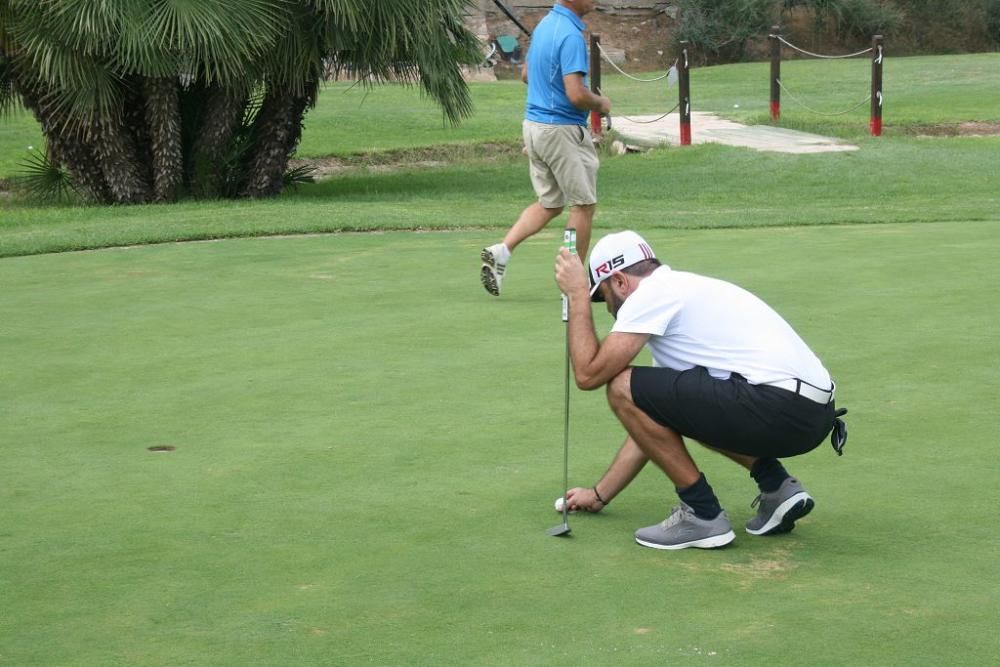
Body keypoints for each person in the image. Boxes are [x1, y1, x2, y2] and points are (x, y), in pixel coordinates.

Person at [552, 230, 848, 551]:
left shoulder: (651, 294)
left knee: (620, 384)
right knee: (672, 404)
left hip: (776, 406)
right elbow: (653, 426)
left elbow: (588, 374)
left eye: (603, 296)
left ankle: (703, 515)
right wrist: (599, 494)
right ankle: (777, 487)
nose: (608, 308)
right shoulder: (682, 289)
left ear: (621, 281)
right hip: (812, 416)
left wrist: (578, 294)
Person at [480, 0, 611, 297]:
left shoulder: (545, 25)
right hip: (560, 129)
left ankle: (501, 251)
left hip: (535, 125)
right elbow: (577, 95)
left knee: (551, 203)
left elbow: (526, 75)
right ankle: (574, 285)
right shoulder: (569, 35)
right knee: (583, 204)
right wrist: (601, 104)